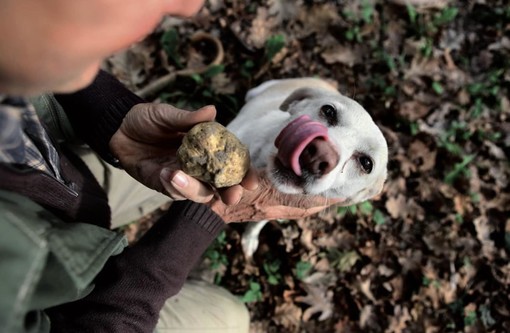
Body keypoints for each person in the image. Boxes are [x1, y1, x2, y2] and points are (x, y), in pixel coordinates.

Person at [0, 1, 339, 332]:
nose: (190, 7)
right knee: (231, 318)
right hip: (61, 304)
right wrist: (202, 222)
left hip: (57, 189)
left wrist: (110, 115)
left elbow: (26, 51)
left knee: (178, 175)